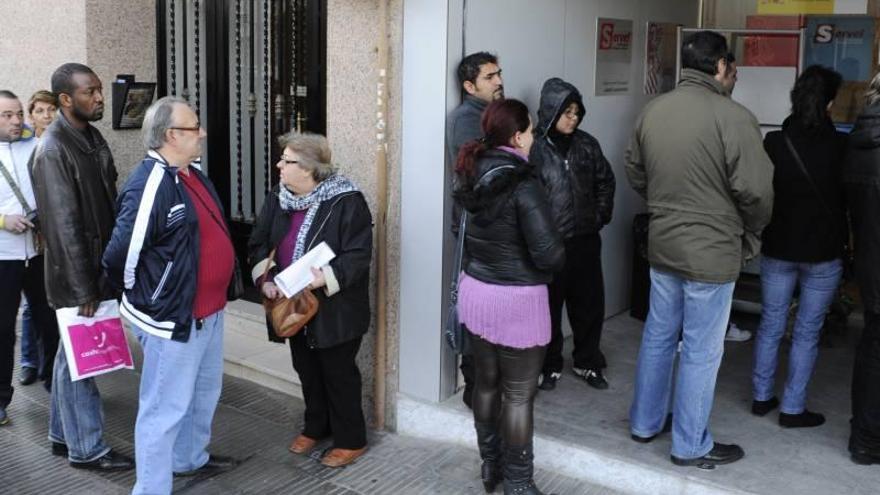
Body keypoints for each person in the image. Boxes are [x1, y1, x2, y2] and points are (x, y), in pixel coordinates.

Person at [625, 31, 773, 468]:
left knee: (658, 335)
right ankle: (690, 445)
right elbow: (758, 193)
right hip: (712, 251)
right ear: (721, 67)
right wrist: (752, 232)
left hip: (664, 244)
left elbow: (635, 170)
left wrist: (664, 207)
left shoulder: (653, 111)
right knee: (701, 349)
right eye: (733, 67)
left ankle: (644, 424)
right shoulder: (735, 118)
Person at [101, 96, 238, 493]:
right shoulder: (149, 183)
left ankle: (189, 460)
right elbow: (119, 256)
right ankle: (151, 488)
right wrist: (148, 299)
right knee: (164, 409)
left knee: (203, 393)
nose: (203, 134)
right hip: (173, 320)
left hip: (209, 312)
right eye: (195, 127)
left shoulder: (192, 173)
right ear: (170, 135)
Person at [454, 98, 565, 494]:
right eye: (531, 130)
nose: (533, 138)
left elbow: (459, 234)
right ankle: (519, 485)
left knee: (485, 384)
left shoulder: (469, 171)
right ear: (517, 136)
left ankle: (491, 467)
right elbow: (548, 252)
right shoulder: (523, 183)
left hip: (477, 293)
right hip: (518, 301)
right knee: (518, 396)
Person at [248, 131, 372, 469]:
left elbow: (359, 255)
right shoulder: (278, 198)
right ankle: (316, 426)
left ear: (310, 169)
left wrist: (326, 278)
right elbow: (259, 242)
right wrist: (267, 279)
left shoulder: (346, 201)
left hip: (335, 306)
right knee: (306, 368)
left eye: (286, 161)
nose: (279, 165)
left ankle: (351, 439)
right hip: (291, 303)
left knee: (338, 372)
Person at [31, 63, 133, 471]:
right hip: (78, 278)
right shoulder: (53, 148)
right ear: (65, 100)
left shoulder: (90, 135)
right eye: (90, 92)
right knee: (81, 363)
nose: (100, 98)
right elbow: (62, 227)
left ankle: (61, 434)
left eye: (99, 90)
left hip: (95, 269)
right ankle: (87, 448)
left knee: (68, 356)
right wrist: (84, 288)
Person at [751, 66, 846, 428]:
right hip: (823, 253)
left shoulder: (774, 142)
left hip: (778, 248)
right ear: (830, 104)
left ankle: (761, 398)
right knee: (806, 332)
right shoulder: (841, 146)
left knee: (771, 324)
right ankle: (792, 408)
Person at [530, 77, 615, 391]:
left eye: (577, 112)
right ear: (550, 112)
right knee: (549, 308)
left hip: (586, 241)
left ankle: (587, 361)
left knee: (589, 305)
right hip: (552, 245)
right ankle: (549, 364)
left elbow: (606, 181)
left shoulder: (587, 144)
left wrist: (599, 215)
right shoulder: (535, 148)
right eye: (566, 112)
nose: (573, 118)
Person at [446, 51, 504, 410]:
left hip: (490, 224)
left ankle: (487, 382)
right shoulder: (467, 120)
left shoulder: (490, 115)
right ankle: (474, 386)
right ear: (469, 86)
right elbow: (481, 173)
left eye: (499, 74)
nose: (498, 81)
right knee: (476, 308)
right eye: (489, 77)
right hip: (477, 226)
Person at [0, 90, 59, 425]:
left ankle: (55, 381)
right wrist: (2, 220)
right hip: (3, 257)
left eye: (18, 113)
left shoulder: (35, 147)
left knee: (49, 320)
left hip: (38, 252)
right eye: (6, 115)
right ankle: (1, 399)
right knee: (2, 329)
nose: (15, 120)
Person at [843, 71, 880, 466]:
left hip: (871, 262)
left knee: (872, 346)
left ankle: (866, 436)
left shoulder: (860, 135)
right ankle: (868, 438)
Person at [18, 89, 57, 387]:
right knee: (33, 304)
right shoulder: (26, 145)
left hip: (55, 233)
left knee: (47, 303)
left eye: (50, 109)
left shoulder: (60, 141)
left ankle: (49, 365)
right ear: (31, 115)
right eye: (40, 110)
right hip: (32, 232)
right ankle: (29, 361)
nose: (46, 115)